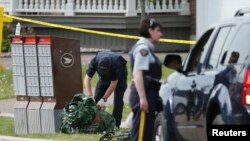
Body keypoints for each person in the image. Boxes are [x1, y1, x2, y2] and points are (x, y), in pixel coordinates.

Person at [128, 18, 162, 141]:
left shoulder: (147, 48)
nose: (160, 34)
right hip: (143, 94)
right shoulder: (144, 49)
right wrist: (142, 98)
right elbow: (138, 74)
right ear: (150, 31)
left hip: (148, 94)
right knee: (140, 136)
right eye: (158, 30)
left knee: (146, 134)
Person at [84, 51, 128, 129]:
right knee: (96, 98)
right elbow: (87, 79)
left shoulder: (116, 65)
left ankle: (115, 124)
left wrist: (104, 99)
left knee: (118, 99)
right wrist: (90, 96)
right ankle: (94, 121)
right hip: (103, 77)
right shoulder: (95, 61)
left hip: (120, 76)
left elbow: (113, 84)